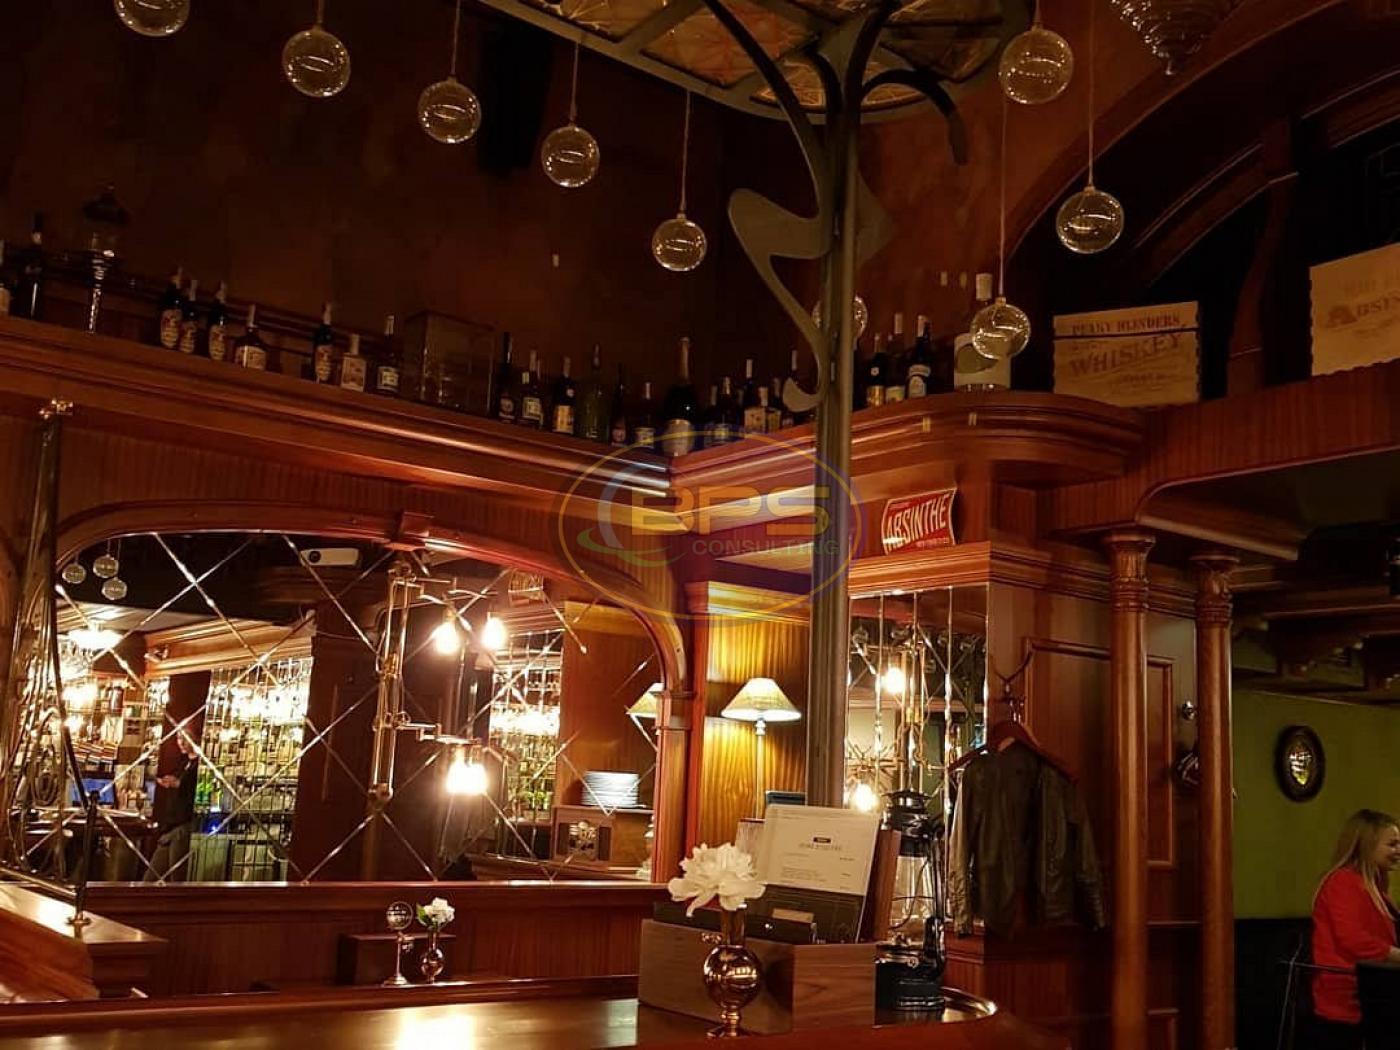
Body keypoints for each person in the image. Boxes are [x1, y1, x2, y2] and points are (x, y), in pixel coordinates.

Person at [1310, 809, 1400, 1048]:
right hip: (1347, 998)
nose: (1398, 850)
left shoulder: (1375, 887)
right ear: (1367, 846)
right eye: (1392, 844)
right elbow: (1353, 939)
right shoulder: (1342, 882)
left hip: (1373, 993)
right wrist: (1395, 955)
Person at [144, 732, 199, 883]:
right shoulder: (184, 762)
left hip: (183, 826)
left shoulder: (199, 766)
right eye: (179, 738)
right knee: (150, 878)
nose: (181, 742)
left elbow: (194, 792)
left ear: (195, 739)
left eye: (185, 738)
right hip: (171, 825)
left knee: (176, 879)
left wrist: (178, 784)